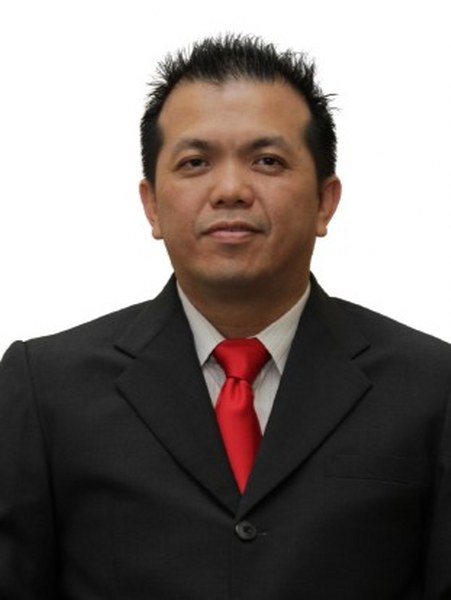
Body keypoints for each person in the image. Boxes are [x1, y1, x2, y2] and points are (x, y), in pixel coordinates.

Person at [0, 34, 450, 600]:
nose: (231, 190)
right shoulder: (45, 387)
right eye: (195, 162)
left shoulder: (432, 387)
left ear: (324, 201)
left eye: (267, 161)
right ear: (152, 205)